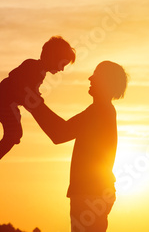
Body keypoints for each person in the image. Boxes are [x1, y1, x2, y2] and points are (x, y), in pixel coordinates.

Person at [28, 61, 128, 232]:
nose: (90, 78)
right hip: (93, 193)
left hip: (91, 194)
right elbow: (60, 132)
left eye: (95, 75)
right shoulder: (101, 110)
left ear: (105, 81)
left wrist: (33, 102)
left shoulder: (99, 111)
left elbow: (59, 133)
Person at [0, 36, 76, 183]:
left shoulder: (40, 73)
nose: (62, 69)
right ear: (53, 57)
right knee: (13, 133)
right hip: (0, 100)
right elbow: (14, 77)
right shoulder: (32, 65)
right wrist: (29, 95)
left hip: (9, 104)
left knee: (14, 134)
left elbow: (31, 91)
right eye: (62, 64)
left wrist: (34, 96)